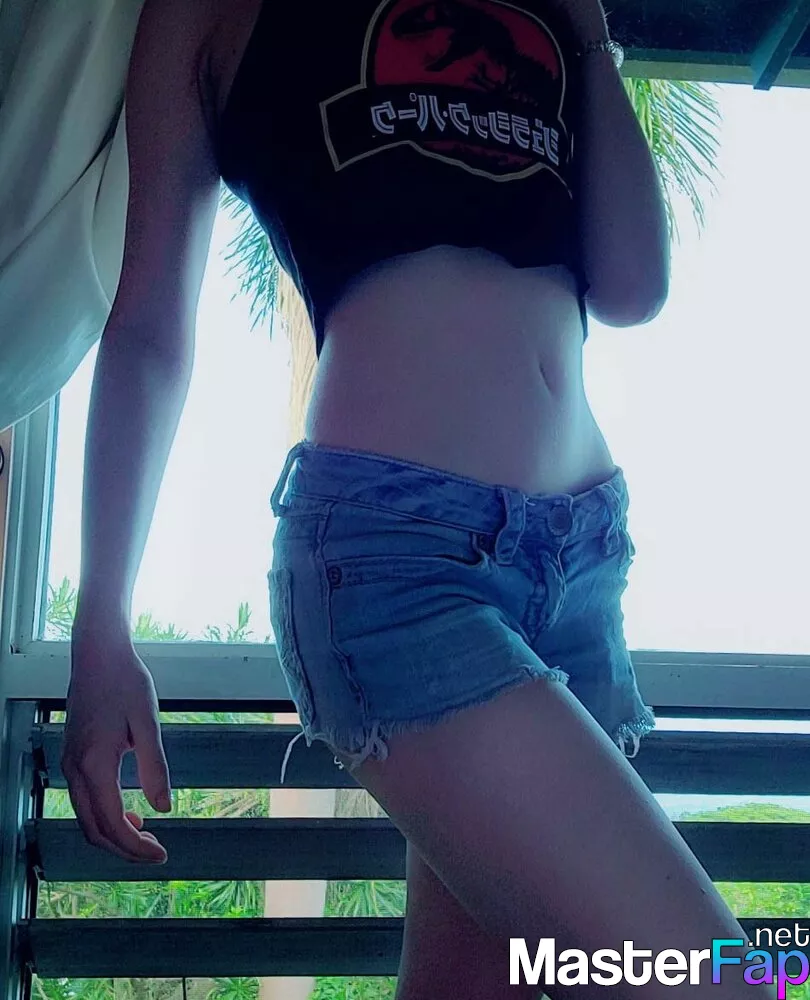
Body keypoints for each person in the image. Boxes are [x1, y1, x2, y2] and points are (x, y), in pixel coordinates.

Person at [62, 0, 778, 997]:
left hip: (581, 568)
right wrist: (99, 622)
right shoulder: (203, 12)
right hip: (395, 564)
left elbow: (632, 287)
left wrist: (585, 33)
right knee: (724, 977)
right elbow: (147, 331)